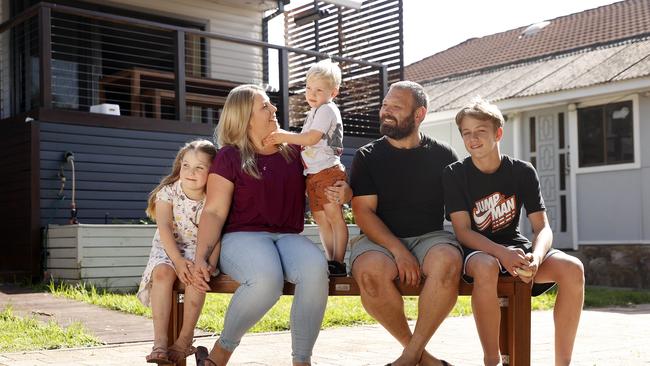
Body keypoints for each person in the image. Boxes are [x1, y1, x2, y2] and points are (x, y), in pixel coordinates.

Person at [190, 84, 351, 366]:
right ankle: (219, 355)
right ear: (245, 118)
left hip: (287, 236)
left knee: (316, 269)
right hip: (242, 236)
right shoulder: (230, 156)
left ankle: (302, 361)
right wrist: (201, 257)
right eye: (265, 106)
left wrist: (344, 192)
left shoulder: (296, 153)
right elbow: (214, 212)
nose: (274, 109)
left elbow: (324, 178)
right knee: (267, 280)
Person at [443, 98, 584, 366]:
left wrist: (536, 258)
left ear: (498, 133)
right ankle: (492, 360)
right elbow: (462, 232)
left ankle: (563, 363)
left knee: (573, 268)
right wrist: (501, 254)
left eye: (480, 132)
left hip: (515, 250)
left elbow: (542, 228)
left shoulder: (522, 171)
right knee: (487, 267)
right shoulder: (454, 174)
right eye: (466, 133)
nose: (472, 139)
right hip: (477, 251)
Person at [349, 81, 462, 366]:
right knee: (370, 273)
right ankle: (425, 359)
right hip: (379, 240)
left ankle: (409, 358)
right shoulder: (368, 157)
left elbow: (460, 212)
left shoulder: (443, 156)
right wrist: (399, 250)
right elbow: (363, 213)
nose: (386, 112)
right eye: (385, 105)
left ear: (419, 114)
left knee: (447, 262)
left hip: (431, 237)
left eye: (396, 107)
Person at [137, 139, 220, 364]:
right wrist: (177, 261)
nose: (190, 172)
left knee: (197, 276)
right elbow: (163, 227)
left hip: (200, 250)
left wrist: (209, 264)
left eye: (199, 167)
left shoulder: (215, 197)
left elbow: (219, 233)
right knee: (162, 274)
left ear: (212, 171)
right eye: (186, 165)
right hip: (169, 247)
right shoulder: (169, 192)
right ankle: (160, 343)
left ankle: (184, 340)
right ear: (179, 165)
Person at [263, 58, 348, 276]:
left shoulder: (327, 110)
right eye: (309, 88)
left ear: (333, 93)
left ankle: (338, 260)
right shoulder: (315, 112)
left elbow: (310, 138)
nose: (312, 93)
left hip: (327, 171)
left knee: (333, 216)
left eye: (319, 89)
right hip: (313, 174)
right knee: (320, 219)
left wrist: (283, 136)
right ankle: (331, 260)